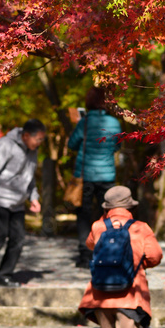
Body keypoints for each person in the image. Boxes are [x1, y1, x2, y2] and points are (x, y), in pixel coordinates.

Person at [78, 185, 163, 328]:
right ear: (129, 206)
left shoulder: (97, 226)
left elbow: (90, 246)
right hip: (130, 294)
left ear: (108, 207)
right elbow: (155, 256)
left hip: (100, 294)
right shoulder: (140, 228)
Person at [0, 119, 46, 287]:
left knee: (18, 239)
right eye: (38, 139)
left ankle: (4, 275)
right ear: (26, 136)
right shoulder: (6, 145)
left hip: (18, 203)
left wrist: (33, 197)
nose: (40, 142)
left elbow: (30, 177)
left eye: (42, 139)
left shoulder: (32, 150)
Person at [67, 85, 122, 268]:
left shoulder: (84, 123)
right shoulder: (115, 123)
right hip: (107, 176)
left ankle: (85, 255)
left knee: (83, 215)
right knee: (106, 214)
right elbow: (116, 147)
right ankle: (105, 252)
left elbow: (72, 145)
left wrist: (78, 127)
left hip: (86, 175)